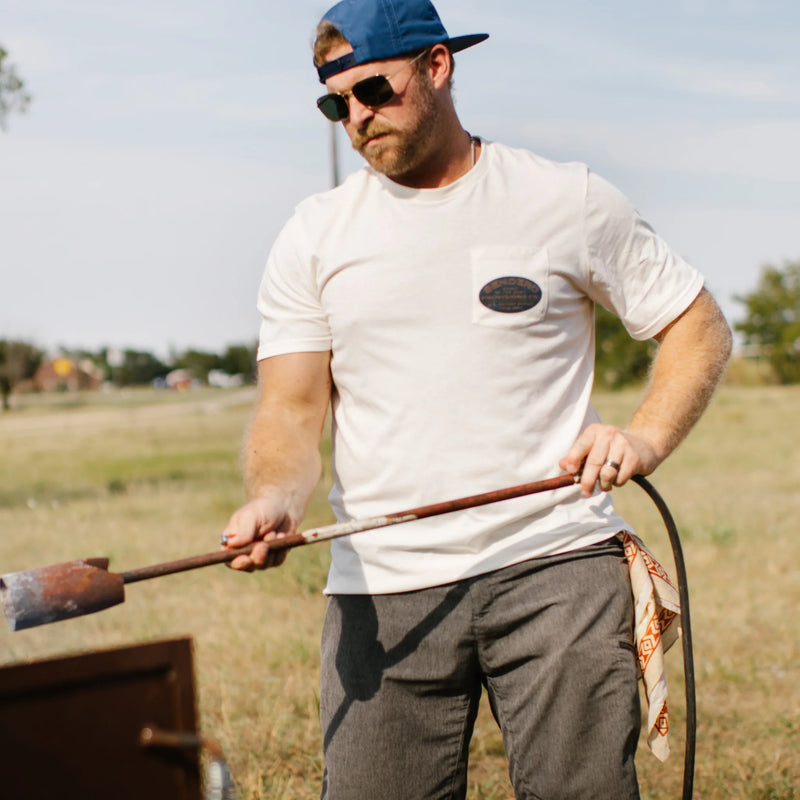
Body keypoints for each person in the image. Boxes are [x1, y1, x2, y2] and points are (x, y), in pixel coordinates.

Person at [220, 0, 733, 797]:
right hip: (380, 587)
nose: (357, 118)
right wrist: (275, 497)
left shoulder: (566, 198)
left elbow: (697, 325)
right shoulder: (313, 234)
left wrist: (644, 438)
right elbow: (290, 409)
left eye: (375, 91)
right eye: (336, 104)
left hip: (556, 563)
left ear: (438, 65)